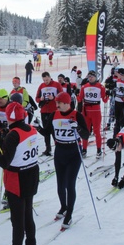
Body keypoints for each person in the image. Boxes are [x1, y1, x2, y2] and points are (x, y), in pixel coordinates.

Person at [0, 102, 39, 245]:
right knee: (27, 213)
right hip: (31, 174)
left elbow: (5, 162)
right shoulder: (31, 129)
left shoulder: (13, 135)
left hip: (17, 178)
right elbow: (17, 143)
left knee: (17, 220)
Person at [51, 93, 88, 228]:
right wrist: (37, 128)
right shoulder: (54, 115)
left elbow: (86, 134)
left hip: (73, 152)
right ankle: (63, 207)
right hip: (59, 151)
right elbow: (47, 131)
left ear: (67, 103)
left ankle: (69, 214)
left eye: (59, 103)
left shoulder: (77, 115)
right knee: (60, 184)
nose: (57, 105)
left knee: (69, 184)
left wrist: (77, 127)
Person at [35, 72, 62, 156]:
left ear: (50, 77)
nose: (45, 81)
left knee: (54, 130)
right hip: (44, 111)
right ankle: (48, 148)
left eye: (47, 79)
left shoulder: (56, 85)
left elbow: (62, 96)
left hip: (54, 111)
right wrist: (41, 99)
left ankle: (58, 148)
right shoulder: (41, 86)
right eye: (44, 80)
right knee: (46, 131)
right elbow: (36, 98)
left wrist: (54, 98)